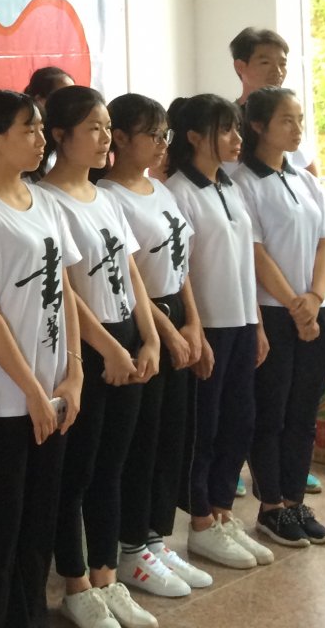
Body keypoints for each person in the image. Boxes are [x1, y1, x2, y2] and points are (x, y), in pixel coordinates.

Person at [0, 90, 83, 628]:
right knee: (2, 525)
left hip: (53, 388)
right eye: (28, 129)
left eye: (40, 128)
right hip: (11, 396)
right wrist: (30, 389)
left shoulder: (43, 199)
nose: (39, 139)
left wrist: (74, 372)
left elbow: (66, 289)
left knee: (41, 521)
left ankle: (30, 616)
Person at [35, 88, 162, 628]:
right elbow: (66, 289)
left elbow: (131, 271)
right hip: (85, 346)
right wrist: (108, 348)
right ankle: (76, 584)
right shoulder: (46, 199)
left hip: (126, 336)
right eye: (93, 127)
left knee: (113, 467)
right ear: (59, 135)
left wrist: (150, 338)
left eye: (108, 126)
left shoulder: (103, 195)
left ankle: (108, 578)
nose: (105, 136)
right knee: (78, 471)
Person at [99, 95, 212, 598]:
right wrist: (165, 330)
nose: (162, 144)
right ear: (120, 138)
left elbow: (180, 264)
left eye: (165, 134)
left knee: (172, 436)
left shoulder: (160, 189)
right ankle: (129, 548)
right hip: (144, 322)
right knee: (140, 442)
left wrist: (195, 324)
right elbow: (130, 276)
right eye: (152, 134)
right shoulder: (109, 195)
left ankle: (154, 538)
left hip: (177, 316)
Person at [163, 95, 273, 571]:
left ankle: (224, 512)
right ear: (193, 136)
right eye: (225, 129)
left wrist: (258, 323)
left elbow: (245, 259)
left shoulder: (229, 184)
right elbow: (180, 269)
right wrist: (196, 331)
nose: (236, 138)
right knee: (202, 428)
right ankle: (202, 521)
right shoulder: (177, 191)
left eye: (236, 129)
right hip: (207, 325)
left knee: (240, 421)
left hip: (242, 321)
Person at [230, 86, 325, 548]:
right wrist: (296, 304)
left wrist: (315, 297)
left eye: (299, 119)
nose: (297, 129)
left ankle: (294, 500)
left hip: (316, 309)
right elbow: (255, 254)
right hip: (273, 313)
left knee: (304, 413)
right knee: (271, 412)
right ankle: (271, 506)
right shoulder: (242, 182)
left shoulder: (304, 179)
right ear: (258, 126)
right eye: (286, 120)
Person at [228, 28, 318, 177]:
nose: (278, 72)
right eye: (265, 63)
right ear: (240, 66)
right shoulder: (226, 120)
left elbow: (310, 174)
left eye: (282, 64)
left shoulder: (287, 115)